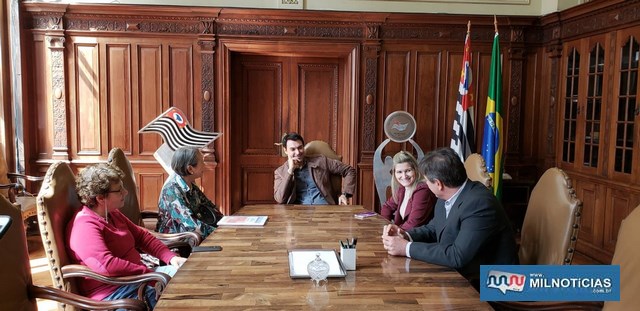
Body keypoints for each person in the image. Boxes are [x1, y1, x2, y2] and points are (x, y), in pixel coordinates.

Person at [381, 147, 517, 287]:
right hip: (461, 274)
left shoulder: (479, 203)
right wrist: (405, 235)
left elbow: (457, 256)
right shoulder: (447, 195)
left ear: (439, 184)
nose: (425, 184)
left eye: (427, 180)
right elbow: (433, 228)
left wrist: (406, 248)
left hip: (495, 281)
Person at [66, 163, 187, 308]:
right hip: (115, 293)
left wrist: (172, 258)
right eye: (119, 190)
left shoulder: (112, 213)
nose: (125, 192)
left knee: (190, 277)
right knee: (183, 299)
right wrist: (147, 274)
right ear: (100, 198)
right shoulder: (84, 226)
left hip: (138, 279)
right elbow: (107, 265)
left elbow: (142, 237)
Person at [274, 132, 356, 205]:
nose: (298, 152)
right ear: (285, 150)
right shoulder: (280, 172)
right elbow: (280, 199)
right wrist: (290, 171)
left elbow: (349, 170)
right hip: (298, 213)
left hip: (325, 211)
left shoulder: (320, 161)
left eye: (300, 147)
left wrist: (345, 194)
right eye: (293, 149)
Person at [156, 146, 221, 238]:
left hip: (194, 236)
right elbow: (191, 225)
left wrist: (226, 223)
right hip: (177, 241)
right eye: (202, 162)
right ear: (190, 169)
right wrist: (221, 232)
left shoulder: (190, 185)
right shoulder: (170, 191)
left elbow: (210, 207)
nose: (204, 165)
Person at [380, 151, 436, 230]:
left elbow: (414, 223)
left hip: (419, 239)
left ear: (415, 170)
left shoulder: (423, 190)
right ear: (394, 174)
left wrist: (395, 232)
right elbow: (387, 207)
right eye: (399, 172)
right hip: (403, 235)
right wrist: (386, 226)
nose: (404, 176)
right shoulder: (402, 189)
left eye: (408, 171)